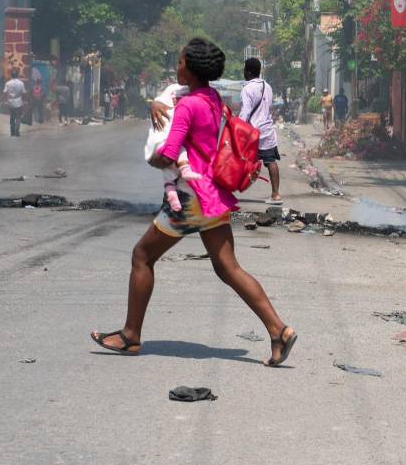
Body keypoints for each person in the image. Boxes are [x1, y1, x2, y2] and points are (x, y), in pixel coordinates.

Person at [91, 38, 297, 366]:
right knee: (228, 267)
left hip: (190, 199)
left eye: (180, 63)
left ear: (191, 68)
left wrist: (154, 157)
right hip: (213, 195)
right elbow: (169, 97)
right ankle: (279, 330)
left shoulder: (188, 106)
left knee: (142, 256)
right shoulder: (212, 98)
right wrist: (151, 104)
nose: (176, 68)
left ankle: (130, 336)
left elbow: (170, 153)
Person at [143, 82, 203, 213]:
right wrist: (154, 104)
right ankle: (171, 203)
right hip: (175, 148)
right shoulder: (175, 91)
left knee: (170, 173)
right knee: (172, 167)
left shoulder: (202, 97)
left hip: (189, 155)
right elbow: (159, 102)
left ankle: (172, 202)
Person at [239, 57, 282, 205]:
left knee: (236, 158)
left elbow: (245, 111)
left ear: (248, 71)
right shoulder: (267, 86)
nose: (244, 72)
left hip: (252, 132)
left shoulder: (247, 89)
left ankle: (227, 191)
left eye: (245, 69)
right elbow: (268, 106)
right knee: (271, 161)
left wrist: (238, 126)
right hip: (267, 130)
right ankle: (276, 195)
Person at [3, 69, 26, 137]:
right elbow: (24, 93)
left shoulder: (8, 83)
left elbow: (5, 93)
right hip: (19, 102)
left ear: (11, 76)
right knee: (18, 117)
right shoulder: (21, 83)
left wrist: (6, 101)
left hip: (10, 102)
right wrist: (25, 100)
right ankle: (17, 130)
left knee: (12, 117)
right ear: (17, 75)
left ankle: (12, 131)